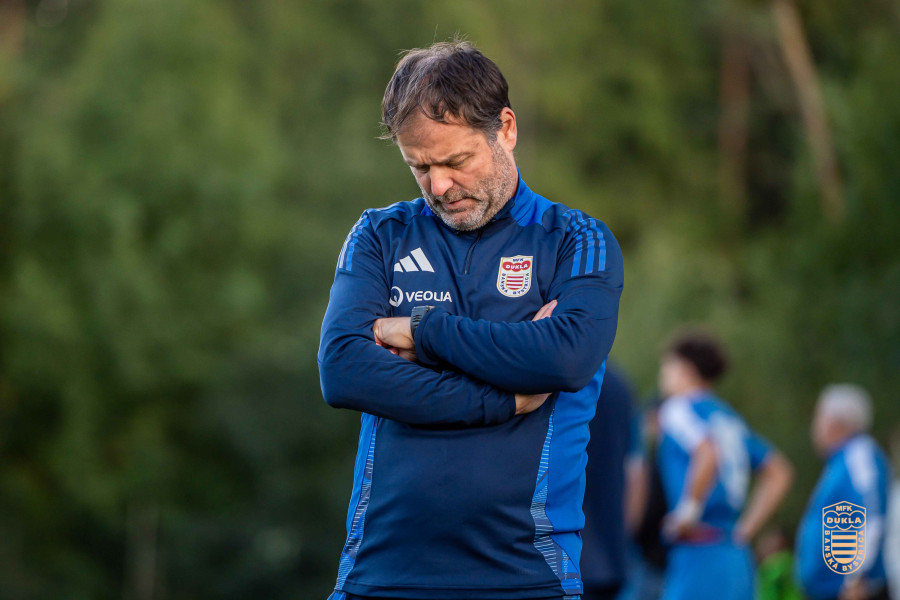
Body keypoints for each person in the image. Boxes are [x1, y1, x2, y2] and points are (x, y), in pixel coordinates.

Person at [317, 40, 623, 600]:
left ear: (506, 128)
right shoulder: (379, 235)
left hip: (526, 579)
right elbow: (342, 371)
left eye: (455, 162)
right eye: (419, 167)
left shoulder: (576, 240)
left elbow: (564, 357)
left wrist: (424, 332)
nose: (438, 187)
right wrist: (501, 397)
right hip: (379, 576)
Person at [655, 331, 794, 600]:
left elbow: (707, 453)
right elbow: (779, 472)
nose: (663, 374)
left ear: (685, 369)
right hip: (734, 553)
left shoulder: (678, 409)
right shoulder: (728, 419)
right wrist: (746, 530)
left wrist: (687, 513)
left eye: (667, 365)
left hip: (699, 549)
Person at [795, 384, 892, 600]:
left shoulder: (859, 457)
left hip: (850, 592)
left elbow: (872, 514)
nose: (815, 427)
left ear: (835, 422)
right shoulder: (841, 461)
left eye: (818, 417)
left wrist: (857, 577)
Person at [580, 362, 639, 600]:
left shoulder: (553, 374)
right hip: (611, 550)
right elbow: (636, 469)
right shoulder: (619, 383)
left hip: (562, 550)